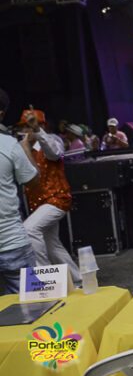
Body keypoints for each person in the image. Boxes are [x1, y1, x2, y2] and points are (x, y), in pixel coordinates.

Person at [17, 108, 81, 285]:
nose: (25, 131)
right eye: (23, 127)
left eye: (28, 126)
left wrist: (37, 131)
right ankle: (77, 280)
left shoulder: (52, 140)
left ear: (41, 125)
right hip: (39, 203)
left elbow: (54, 153)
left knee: (29, 230)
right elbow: (30, 175)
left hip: (56, 199)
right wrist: (24, 149)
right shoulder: (24, 148)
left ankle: (44, 281)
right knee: (52, 244)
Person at [0, 89, 38, 294]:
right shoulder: (9, 145)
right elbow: (33, 181)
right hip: (11, 243)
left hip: (11, 245)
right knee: (33, 306)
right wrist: (25, 148)